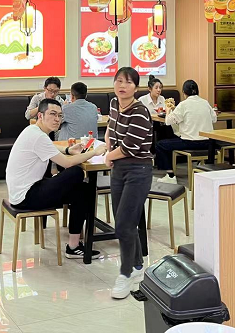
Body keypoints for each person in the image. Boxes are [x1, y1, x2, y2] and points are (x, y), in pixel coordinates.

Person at [6, 98, 106, 258]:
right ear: (40, 115)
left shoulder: (33, 131)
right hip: (26, 196)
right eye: (52, 114)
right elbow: (67, 163)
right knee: (76, 172)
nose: (57, 119)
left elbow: (51, 146)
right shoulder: (38, 136)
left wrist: (68, 149)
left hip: (24, 191)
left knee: (83, 190)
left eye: (60, 115)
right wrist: (94, 152)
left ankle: (73, 246)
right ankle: (75, 244)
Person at [104, 67, 154, 300]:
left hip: (138, 169)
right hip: (119, 170)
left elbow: (130, 147)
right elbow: (110, 129)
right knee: (124, 221)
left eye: (127, 82)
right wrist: (108, 147)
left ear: (136, 87)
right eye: (118, 81)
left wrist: (109, 156)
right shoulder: (115, 103)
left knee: (124, 224)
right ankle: (137, 266)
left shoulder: (140, 112)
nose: (122, 86)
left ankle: (125, 274)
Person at [156, 80, 217, 184]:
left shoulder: (183, 104)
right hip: (208, 143)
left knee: (160, 145)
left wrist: (168, 110)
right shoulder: (205, 102)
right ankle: (202, 166)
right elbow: (214, 119)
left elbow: (168, 121)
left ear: (184, 92)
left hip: (190, 142)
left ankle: (170, 176)